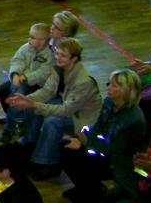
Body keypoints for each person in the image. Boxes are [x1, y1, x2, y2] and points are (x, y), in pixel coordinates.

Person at [6, 37, 102, 180]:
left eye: (63, 55)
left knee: (53, 121)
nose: (57, 57)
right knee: (34, 109)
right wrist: (28, 100)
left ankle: (46, 163)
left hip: (83, 120)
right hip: (69, 106)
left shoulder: (83, 81)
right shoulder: (59, 69)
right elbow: (47, 92)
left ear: (74, 59)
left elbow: (67, 111)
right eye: (57, 53)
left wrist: (33, 104)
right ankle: (29, 145)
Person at [61, 69, 146, 203]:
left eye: (113, 85)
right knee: (66, 149)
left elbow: (116, 151)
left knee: (85, 165)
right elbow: (98, 127)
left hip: (117, 162)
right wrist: (83, 140)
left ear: (125, 91)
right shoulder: (109, 102)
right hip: (100, 148)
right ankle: (85, 189)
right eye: (109, 83)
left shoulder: (134, 120)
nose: (108, 87)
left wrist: (85, 144)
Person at [0, 23, 53, 138]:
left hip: (38, 84)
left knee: (15, 98)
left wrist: (27, 77)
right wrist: (15, 74)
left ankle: (14, 123)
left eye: (33, 38)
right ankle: (15, 120)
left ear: (42, 41)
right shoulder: (26, 48)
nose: (29, 39)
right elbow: (17, 60)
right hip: (21, 80)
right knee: (10, 92)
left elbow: (44, 72)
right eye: (30, 36)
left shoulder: (49, 54)